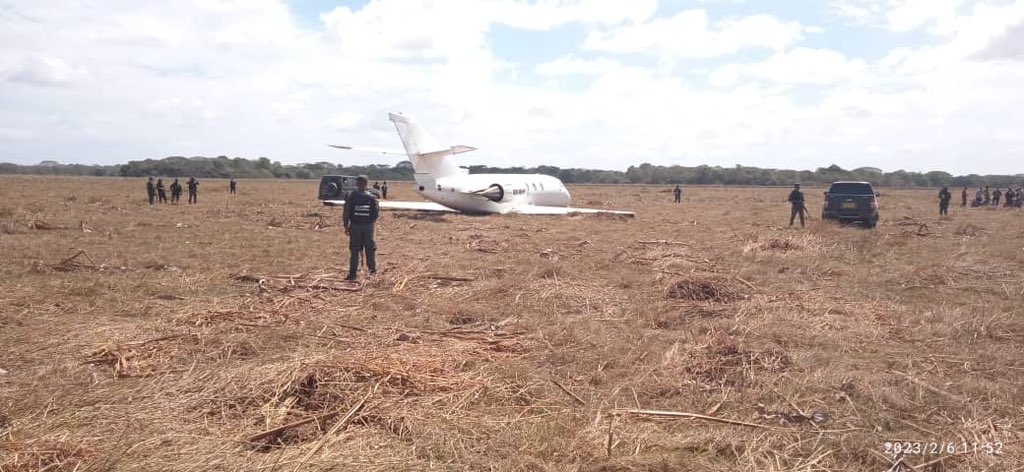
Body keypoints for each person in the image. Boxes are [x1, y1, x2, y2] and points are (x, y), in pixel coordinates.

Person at [343, 175, 379, 281]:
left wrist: (346, 225)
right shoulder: (372, 197)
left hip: (355, 226)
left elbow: (346, 212)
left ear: (357, 184)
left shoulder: (351, 196)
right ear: (367, 184)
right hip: (368, 227)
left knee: (354, 250)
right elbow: (376, 213)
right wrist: (370, 222)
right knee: (370, 248)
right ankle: (372, 271)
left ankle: (352, 274)